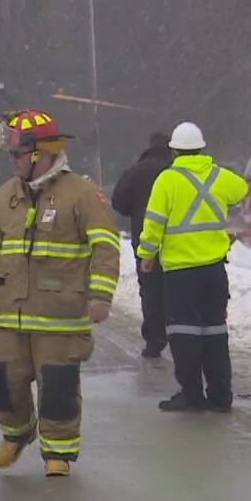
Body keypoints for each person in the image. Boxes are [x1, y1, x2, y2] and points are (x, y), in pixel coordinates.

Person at [0, 109, 121, 478]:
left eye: (17, 153)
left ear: (40, 153)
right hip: (6, 312)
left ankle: (59, 454)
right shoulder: (6, 196)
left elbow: (105, 246)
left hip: (59, 315)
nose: (12, 160)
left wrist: (101, 296)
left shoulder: (81, 195)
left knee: (58, 387)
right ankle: (17, 433)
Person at [137, 122, 248, 413]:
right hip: (213, 269)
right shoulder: (219, 175)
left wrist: (146, 254)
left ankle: (191, 393)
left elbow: (154, 224)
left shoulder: (167, 180)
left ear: (173, 151)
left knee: (184, 333)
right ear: (202, 148)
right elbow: (241, 190)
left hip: (180, 272)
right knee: (215, 331)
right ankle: (221, 395)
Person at [111, 132, 173, 358]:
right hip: (177, 242)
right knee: (176, 290)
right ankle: (179, 335)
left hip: (145, 241)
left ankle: (154, 340)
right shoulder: (177, 171)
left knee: (150, 291)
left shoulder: (135, 172)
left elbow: (118, 203)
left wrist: (137, 209)